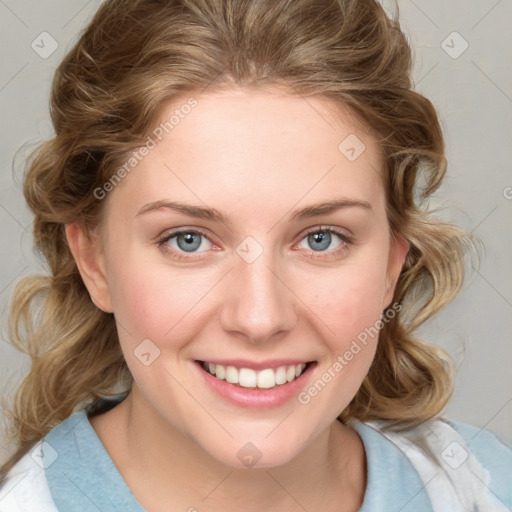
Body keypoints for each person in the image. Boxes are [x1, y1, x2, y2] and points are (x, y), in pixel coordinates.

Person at [0, 0, 510, 510]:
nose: (260, 318)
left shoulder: (484, 488)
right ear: (95, 261)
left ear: (391, 265)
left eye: (321, 238)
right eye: (188, 240)